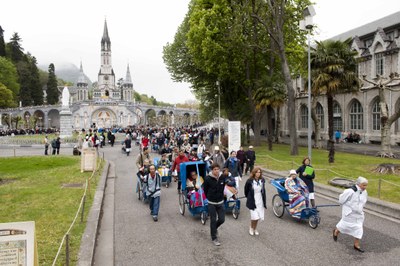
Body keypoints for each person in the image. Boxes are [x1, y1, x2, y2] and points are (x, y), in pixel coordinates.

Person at [333, 176, 368, 253]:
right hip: (349, 213)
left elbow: (363, 201)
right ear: (358, 184)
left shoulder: (364, 192)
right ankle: (336, 231)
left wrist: (359, 208)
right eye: (364, 185)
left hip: (358, 214)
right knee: (344, 225)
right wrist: (350, 205)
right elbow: (341, 200)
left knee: (359, 228)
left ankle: (356, 244)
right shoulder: (350, 191)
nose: (365, 187)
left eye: (366, 185)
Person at [203, 163, 226, 246]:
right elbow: (205, 190)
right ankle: (214, 238)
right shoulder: (207, 179)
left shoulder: (222, 177)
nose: (216, 171)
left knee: (222, 219)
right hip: (211, 203)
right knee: (213, 220)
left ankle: (214, 228)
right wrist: (210, 197)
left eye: (217, 169)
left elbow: (223, 187)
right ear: (212, 170)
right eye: (215, 169)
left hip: (220, 202)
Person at [244, 167, 267, 236]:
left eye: (259, 172)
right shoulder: (249, 181)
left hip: (260, 200)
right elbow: (246, 190)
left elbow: (263, 190)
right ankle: (251, 228)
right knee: (254, 216)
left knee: (258, 217)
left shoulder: (262, 180)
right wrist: (249, 197)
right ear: (254, 173)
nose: (258, 174)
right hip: (252, 200)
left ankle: (255, 228)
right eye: (257, 172)